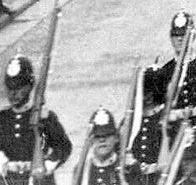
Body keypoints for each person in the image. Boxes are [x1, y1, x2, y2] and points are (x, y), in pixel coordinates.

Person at [0, 55, 73, 184]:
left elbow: (64, 147)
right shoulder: (2, 118)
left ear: (30, 86)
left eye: (19, 87)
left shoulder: (44, 117)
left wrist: (49, 164)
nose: (13, 93)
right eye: (10, 88)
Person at [76, 107, 121, 185]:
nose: (102, 140)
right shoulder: (82, 170)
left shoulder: (127, 168)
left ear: (116, 137)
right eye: (97, 136)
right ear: (91, 140)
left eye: (107, 135)